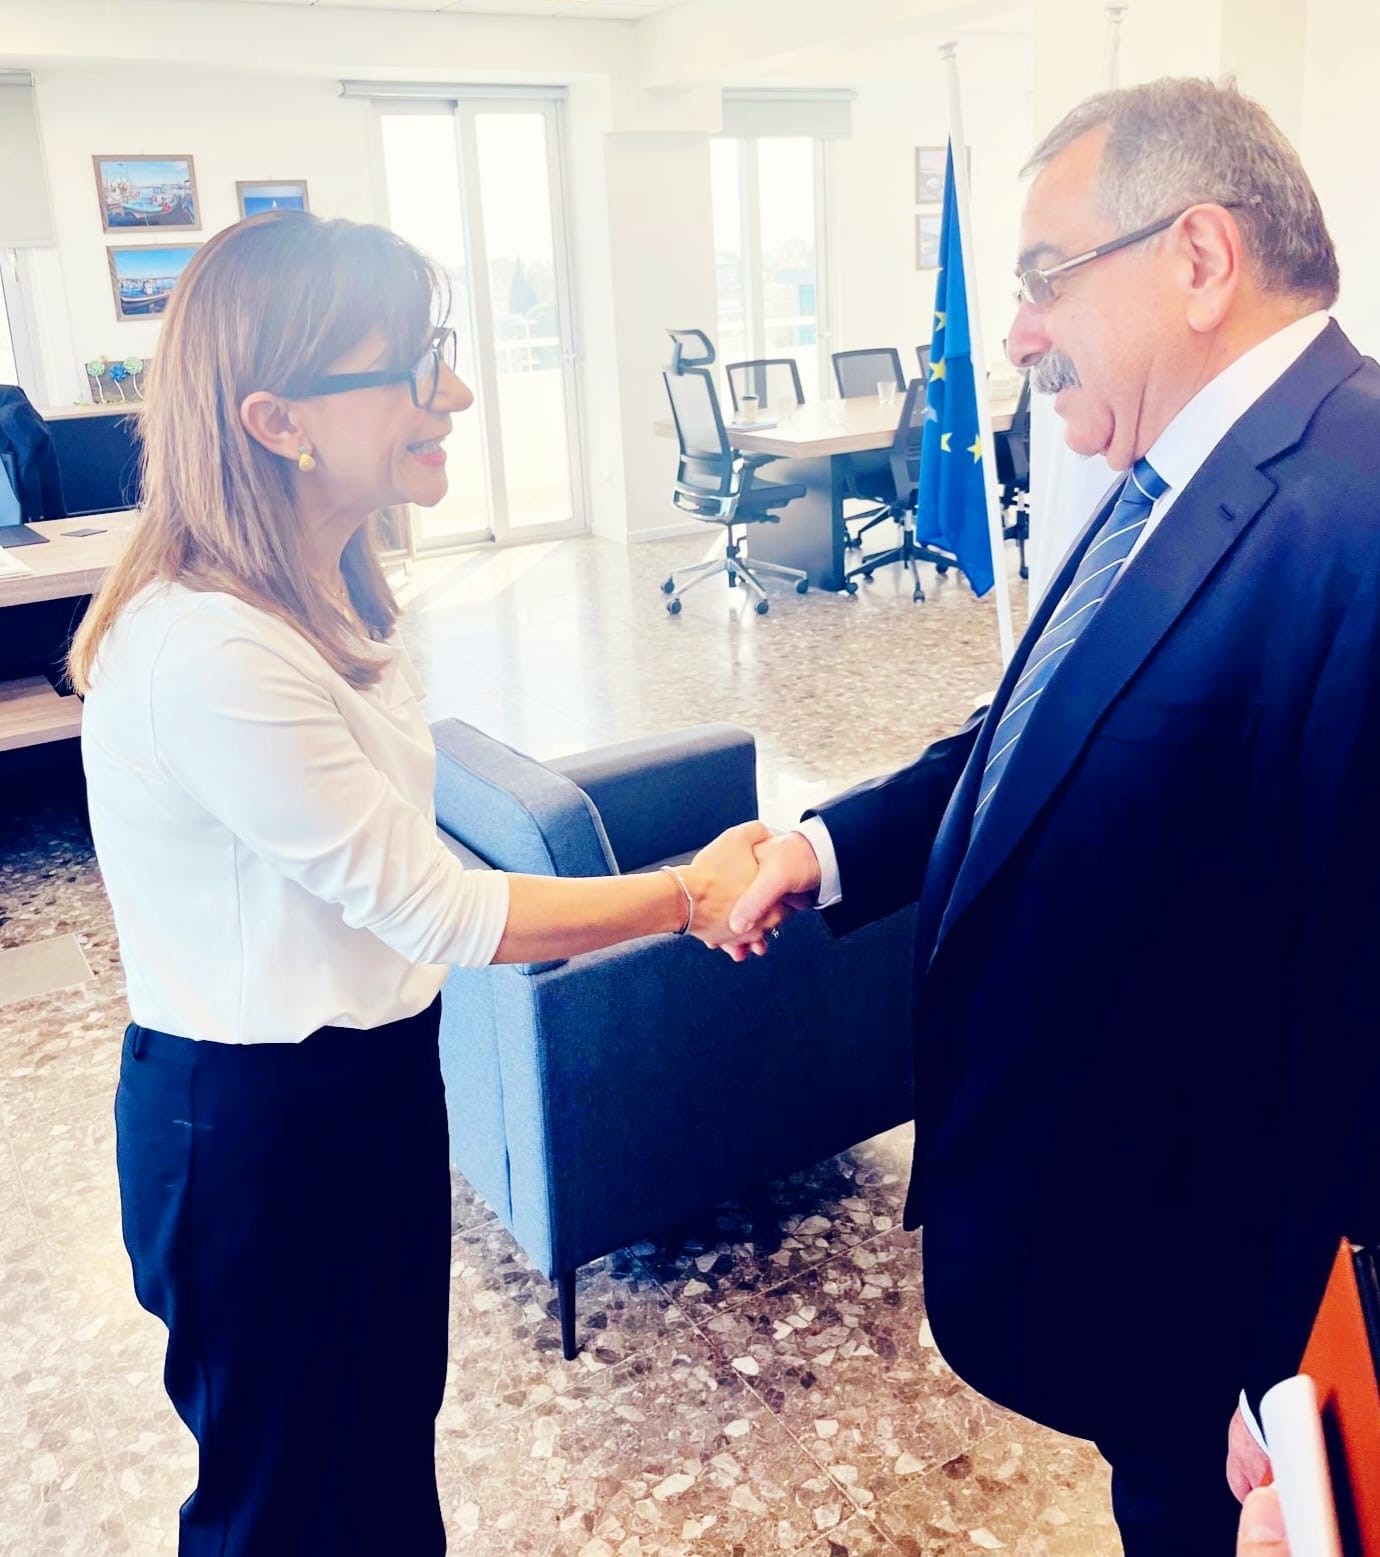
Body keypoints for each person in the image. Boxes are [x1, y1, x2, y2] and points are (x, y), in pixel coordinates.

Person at [722, 77, 1380, 1554]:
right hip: (1132, 1291)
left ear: (1198, 258)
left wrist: (1295, 1373)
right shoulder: (1168, 472)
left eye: (1042, 278)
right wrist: (826, 848)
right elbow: (1035, 733)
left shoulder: (1359, 506)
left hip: (1241, 1374)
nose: (1013, 333)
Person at [68, 211, 780, 1556]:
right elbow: (439, 905)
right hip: (255, 1133)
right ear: (277, 422)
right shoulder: (208, 651)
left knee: (380, 1460)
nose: (451, 391)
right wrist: (685, 894)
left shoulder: (321, 591)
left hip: (372, 1083)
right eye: (410, 366)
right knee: (285, 1510)